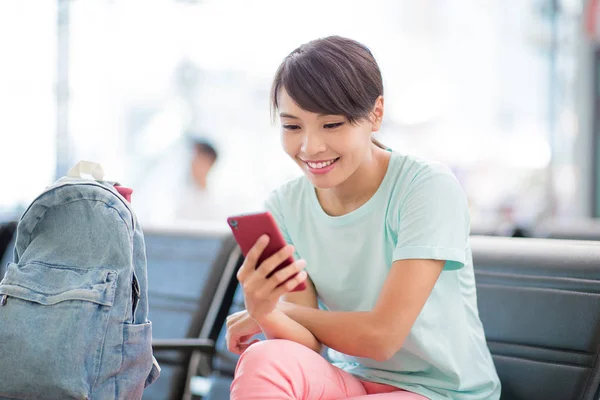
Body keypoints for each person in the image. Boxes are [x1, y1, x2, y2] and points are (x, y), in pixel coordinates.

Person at [225, 36, 501, 400]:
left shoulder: (426, 187)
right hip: (351, 382)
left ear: (376, 114)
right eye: (292, 127)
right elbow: (306, 348)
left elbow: (382, 337)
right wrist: (268, 314)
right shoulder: (285, 205)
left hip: (442, 392)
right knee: (265, 358)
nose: (310, 147)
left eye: (332, 124)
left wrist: (280, 312)